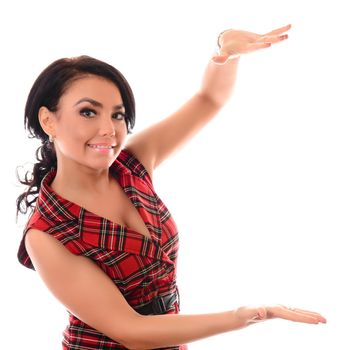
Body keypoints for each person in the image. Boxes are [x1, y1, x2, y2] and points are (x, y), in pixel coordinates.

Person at [16, 24, 326, 349]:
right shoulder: (47, 234)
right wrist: (245, 316)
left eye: (118, 115)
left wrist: (225, 54)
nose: (108, 129)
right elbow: (130, 331)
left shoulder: (132, 166)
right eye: (88, 112)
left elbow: (208, 99)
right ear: (49, 121)